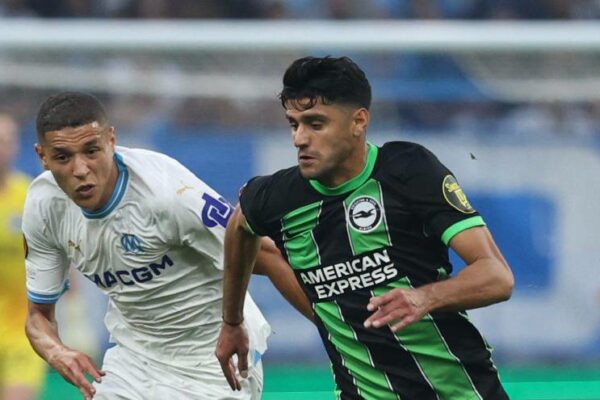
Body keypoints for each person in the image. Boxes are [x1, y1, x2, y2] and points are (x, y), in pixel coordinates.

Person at [216, 56, 514, 399]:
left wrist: (424, 297)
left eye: (315, 124)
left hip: (462, 391)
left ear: (359, 121)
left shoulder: (407, 171)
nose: (299, 139)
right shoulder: (276, 197)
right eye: (294, 124)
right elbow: (240, 226)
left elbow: (497, 277)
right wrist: (233, 321)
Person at [23, 91, 312, 400]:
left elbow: (268, 254)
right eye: (63, 157)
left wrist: (337, 333)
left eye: (91, 151)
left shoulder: (167, 193)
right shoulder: (44, 206)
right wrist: (56, 351)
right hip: (133, 361)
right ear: (42, 156)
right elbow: (38, 316)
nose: (80, 169)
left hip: (214, 356)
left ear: (111, 140)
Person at [0, 113, 46, 400]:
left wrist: (75, 314)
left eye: (7, 140)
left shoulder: (31, 196)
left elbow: (55, 252)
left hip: (22, 329)